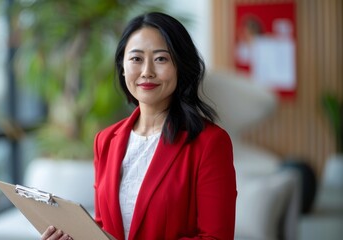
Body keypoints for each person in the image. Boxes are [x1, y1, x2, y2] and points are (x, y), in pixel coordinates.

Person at [41, 11, 237, 240]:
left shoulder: (210, 143)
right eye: (136, 59)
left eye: (161, 59)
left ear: (180, 67)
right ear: (123, 67)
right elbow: (105, 228)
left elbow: (216, 237)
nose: (147, 72)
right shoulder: (105, 140)